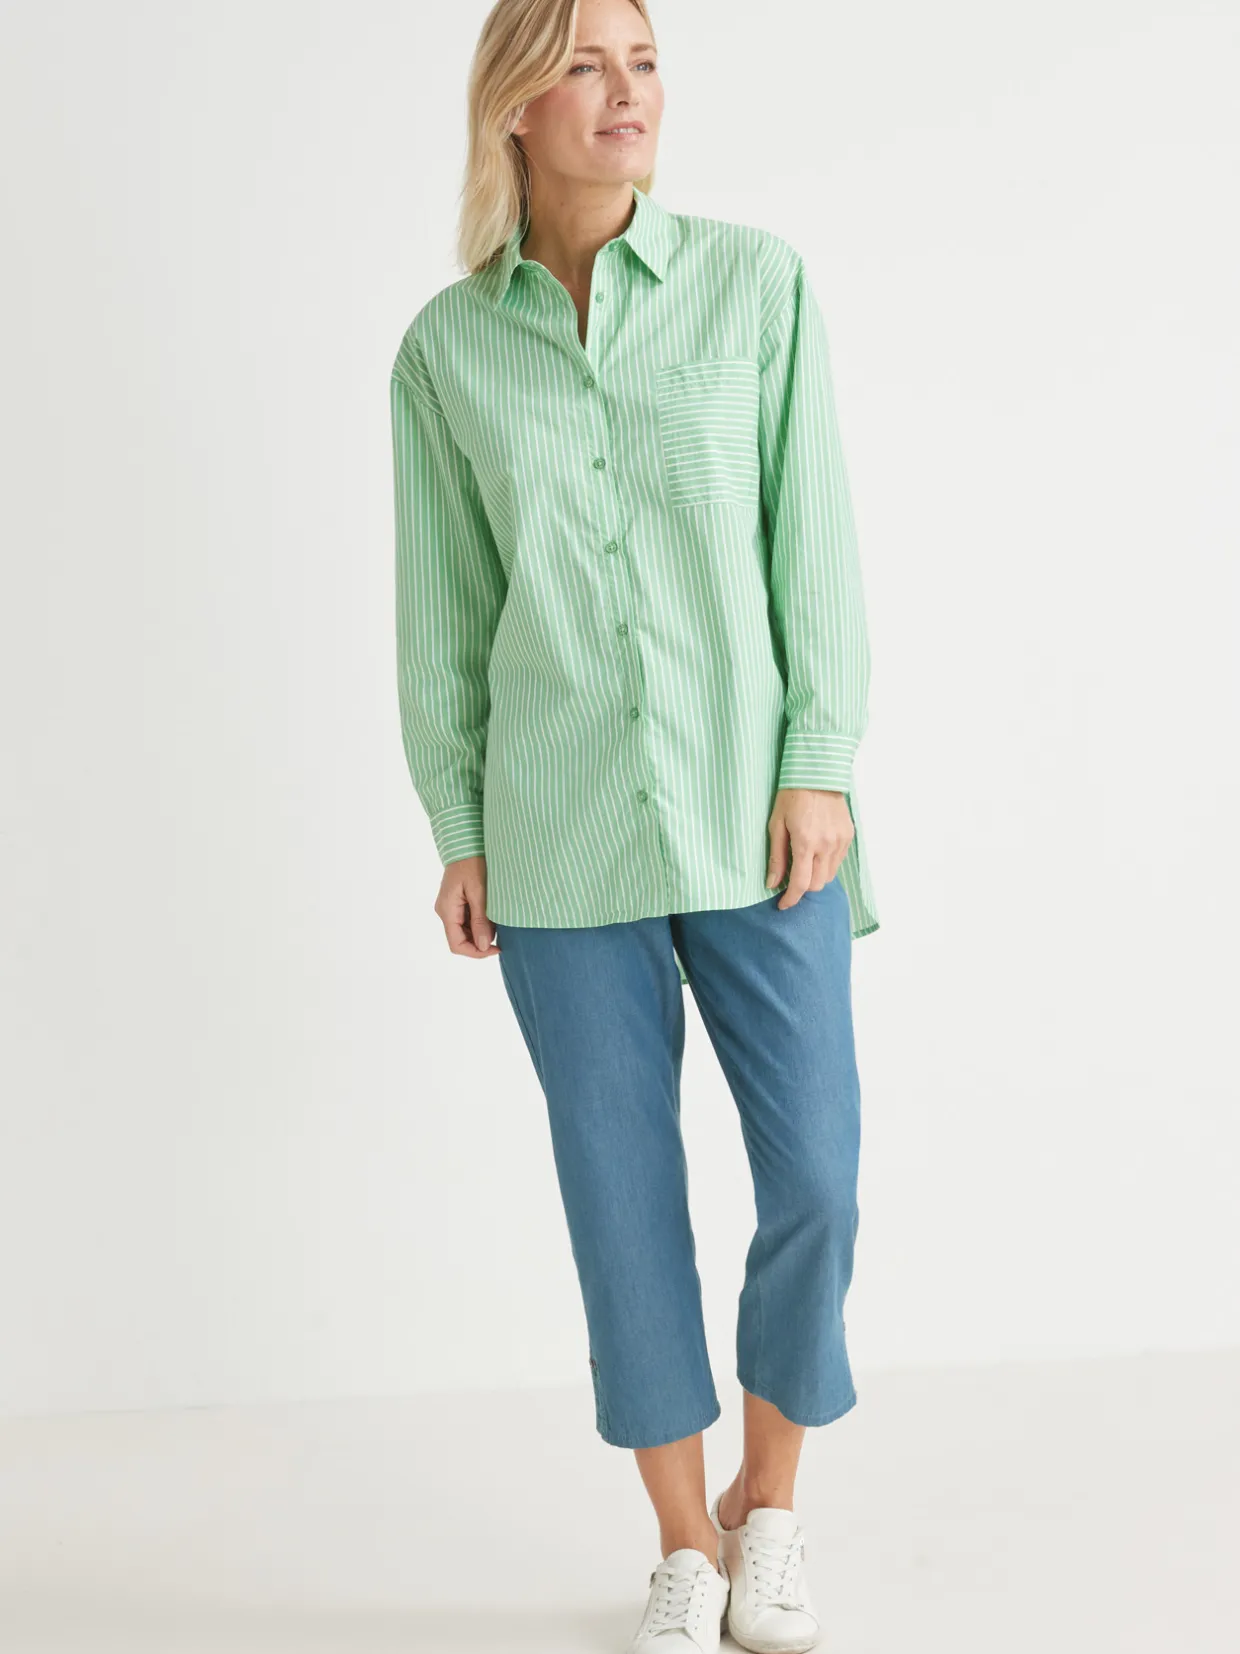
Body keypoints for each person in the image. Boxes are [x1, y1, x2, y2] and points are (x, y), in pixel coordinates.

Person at [389, 2, 878, 1649]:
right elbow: (445, 617)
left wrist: (821, 756)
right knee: (620, 1197)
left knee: (817, 1174)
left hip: (762, 817)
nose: (628, 93)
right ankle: (683, 1540)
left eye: (645, 61)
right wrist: (460, 822)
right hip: (557, 831)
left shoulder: (756, 288)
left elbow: (813, 540)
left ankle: (769, 1506)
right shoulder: (447, 354)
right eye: (587, 65)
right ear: (514, 109)